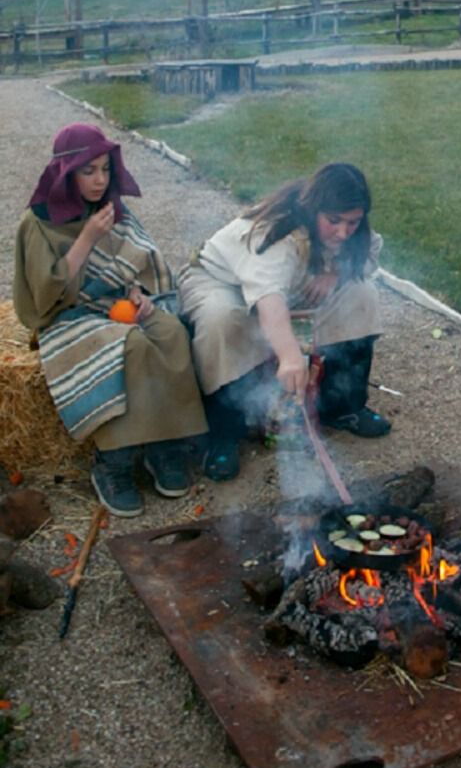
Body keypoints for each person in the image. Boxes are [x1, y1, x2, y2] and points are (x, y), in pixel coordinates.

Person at [13, 124, 207, 518]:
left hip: (112, 304)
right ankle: (113, 463)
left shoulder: (109, 205)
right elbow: (46, 296)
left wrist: (138, 293)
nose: (100, 180)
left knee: (170, 331)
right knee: (130, 344)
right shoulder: (39, 222)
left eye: (105, 169)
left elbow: (134, 259)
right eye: (89, 172)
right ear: (67, 172)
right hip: (67, 316)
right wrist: (86, 238)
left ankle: (163, 447)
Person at [178, 162, 387, 480]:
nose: (344, 232)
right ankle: (222, 435)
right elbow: (268, 295)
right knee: (224, 320)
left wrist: (334, 273)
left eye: (352, 222)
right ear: (315, 208)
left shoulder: (352, 231)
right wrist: (290, 356)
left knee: (362, 294)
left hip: (291, 283)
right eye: (334, 222)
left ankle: (343, 407)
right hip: (222, 283)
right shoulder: (277, 233)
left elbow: (367, 253)